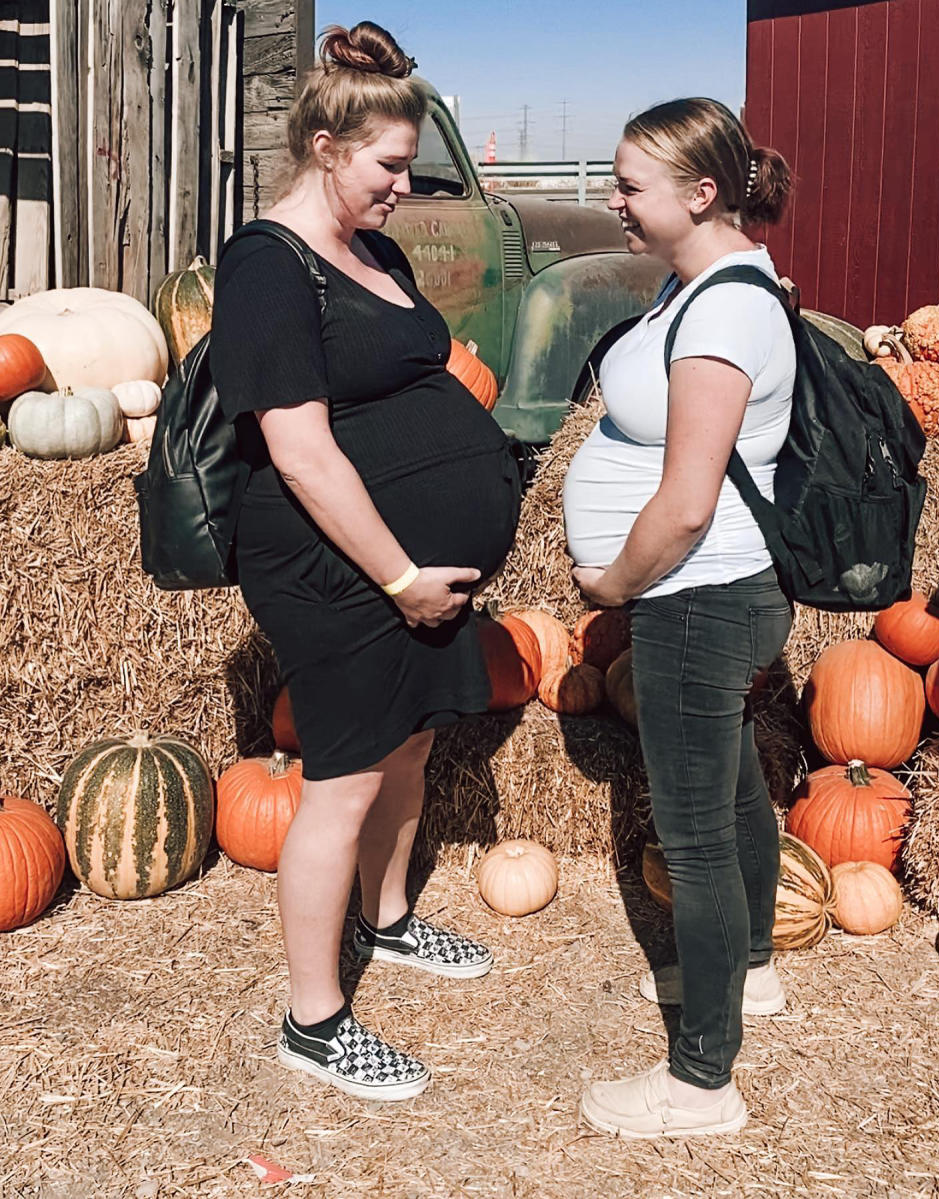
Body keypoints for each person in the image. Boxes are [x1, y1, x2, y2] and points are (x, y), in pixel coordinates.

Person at [209, 22, 521, 1103]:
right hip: (334, 568)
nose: (405, 186)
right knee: (340, 780)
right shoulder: (265, 266)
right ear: (328, 146)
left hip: (411, 568)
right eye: (391, 164)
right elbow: (300, 450)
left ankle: (383, 920)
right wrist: (401, 576)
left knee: (412, 743)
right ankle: (314, 1019)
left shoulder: (375, 251)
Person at [562, 98, 796, 1138]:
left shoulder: (728, 308)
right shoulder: (693, 286)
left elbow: (691, 496)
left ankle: (702, 1080)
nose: (611, 199)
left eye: (627, 185)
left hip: (696, 595)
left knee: (694, 836)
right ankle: (749, 974)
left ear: (702, 194)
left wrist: (613, 584)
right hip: (706, 594)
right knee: (734, 779)